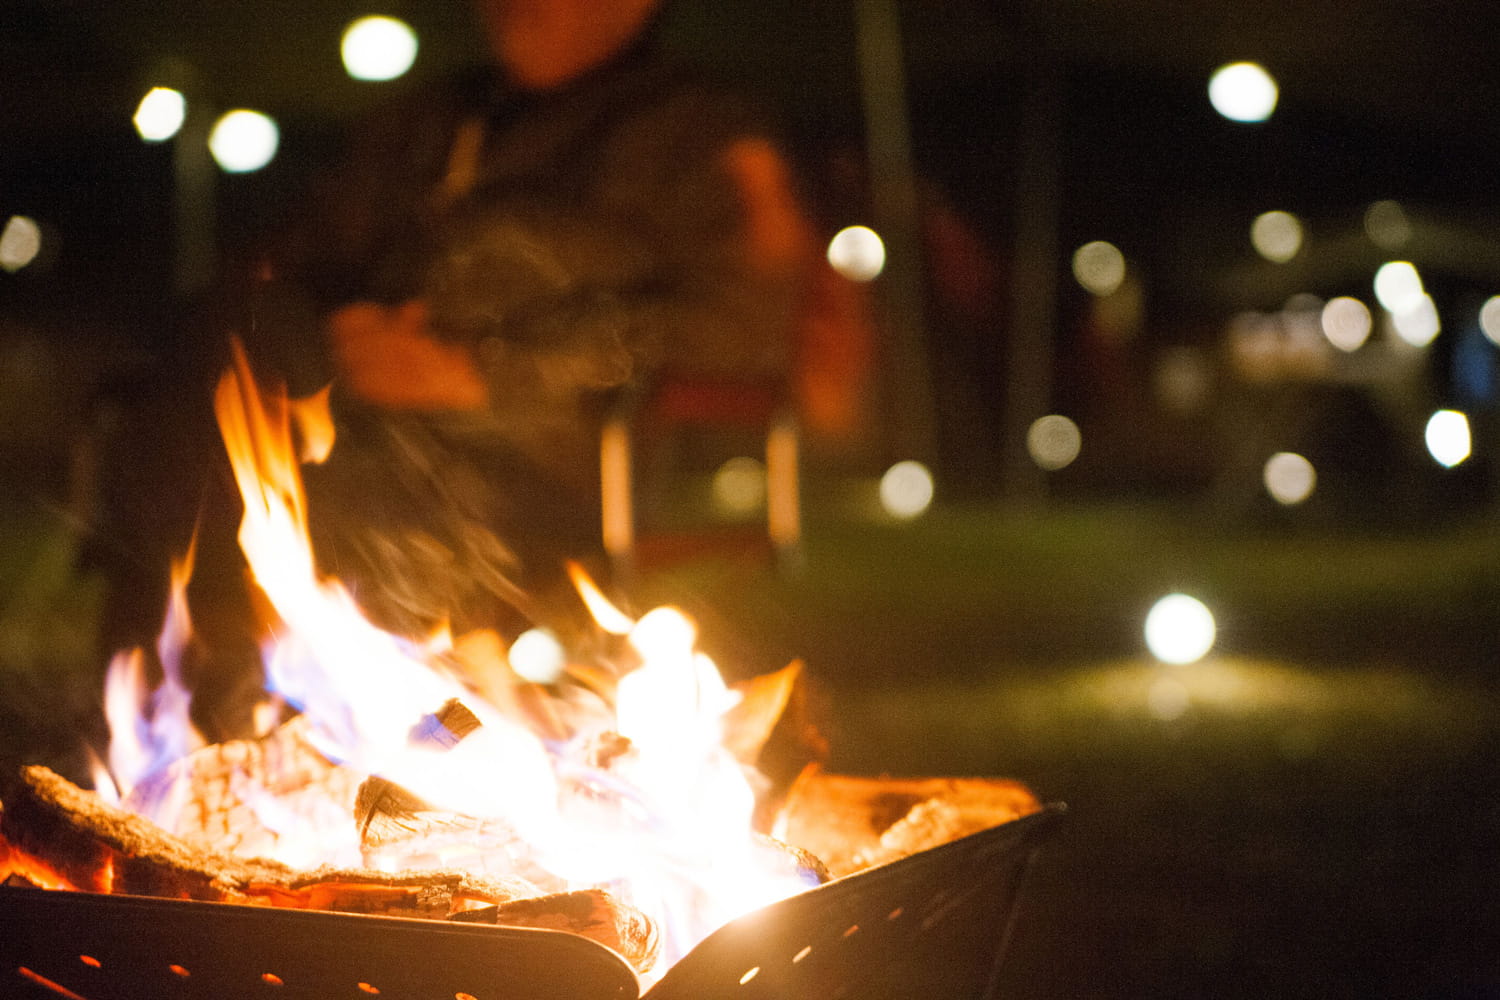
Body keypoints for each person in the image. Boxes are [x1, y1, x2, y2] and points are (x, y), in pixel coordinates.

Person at [195, 0, 821, 671]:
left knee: (353, 514)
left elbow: (744, 323)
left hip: (550, 457)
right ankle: (191, 736)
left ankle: (409, 733)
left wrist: (484, 372)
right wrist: (341, 329)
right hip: (346, 421)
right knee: (196, 428)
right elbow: (296, 257)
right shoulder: (433, 121)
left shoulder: (696, 131)